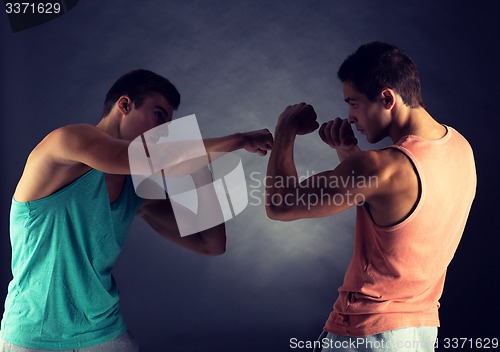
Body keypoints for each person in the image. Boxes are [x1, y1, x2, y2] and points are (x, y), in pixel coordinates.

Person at [0, 69, 273, 351]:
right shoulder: (67, 141)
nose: (164, 132)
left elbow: (211, 244)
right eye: (158, 115)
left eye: (169, 122)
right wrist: (237, 140)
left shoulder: (136, 189)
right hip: (33, 335)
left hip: (104, 332)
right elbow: (131, 158)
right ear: (125, 105)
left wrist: (199, 167)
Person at [265, 42, 476, 351]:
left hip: (366, 334)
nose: (350, 116)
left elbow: (279, 204)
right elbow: (393, 208)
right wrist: (348, 153)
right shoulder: (460, 147)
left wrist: (284, 129)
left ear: (387, 98)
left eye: (354, 104)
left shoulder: (382, 168)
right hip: (420, 332)